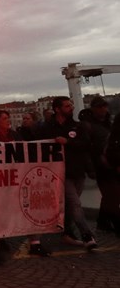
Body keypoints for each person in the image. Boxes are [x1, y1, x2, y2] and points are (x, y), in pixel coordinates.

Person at [0, 110, 51, 261]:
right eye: (4, 118)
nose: (8, 121)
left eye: (8, 118)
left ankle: (35, 243)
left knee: (26, 209)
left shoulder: (14, 135)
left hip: (14, 179)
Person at [37, 96, 98, 250]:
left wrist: (68, 142)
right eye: (67, 106)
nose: (71, 108)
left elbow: (86, 145)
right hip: (60, 173)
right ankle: (87, 235)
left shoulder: (77, 127)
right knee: (75, 204)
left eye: (71, 105)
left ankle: (67, 233)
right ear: (57, 109)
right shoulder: (46, 128)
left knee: (71, 205)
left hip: (77, 171)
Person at [82, 96, 113, 231]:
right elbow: (86, 148)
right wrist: (90, 168)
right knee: (109, 193)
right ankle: (105, 221)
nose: (104, 109)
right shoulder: (88, 125)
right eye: (101, 107)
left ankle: (103, 221)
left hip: (110, 162)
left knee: (109, 194)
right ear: (94, 109)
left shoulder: (108, 123)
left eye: (105, 106)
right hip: (99, 164)